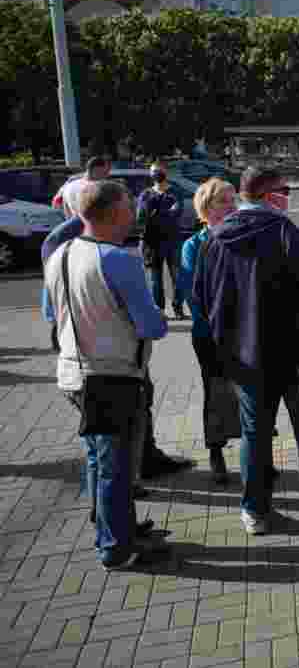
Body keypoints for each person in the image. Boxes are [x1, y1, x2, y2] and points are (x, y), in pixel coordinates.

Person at [193, 166, 299, 535]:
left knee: (255, 434)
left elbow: (200, 297)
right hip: (294, 353)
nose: (288, 195)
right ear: (267, 195)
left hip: (243, 358)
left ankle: (255, 511)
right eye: (285, 189)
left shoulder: (214, 239)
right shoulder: (284, 232)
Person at [44, 180, 169, 570]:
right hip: (110, 374)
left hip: (73, 372)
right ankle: (116, 547)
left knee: (99, 460)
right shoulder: (117, 259)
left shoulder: (59, 254)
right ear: (114, 213)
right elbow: (152, 326)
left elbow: (51, 315)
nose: (134, 212)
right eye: (130, 206)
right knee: (115, 465)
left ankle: (113, 528)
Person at [177, 178, 239, 484]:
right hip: (211, 335)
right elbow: (194, 296)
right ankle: (216, 451)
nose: (232, 206)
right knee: (216, 394)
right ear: (206, 207)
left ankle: (256, 454)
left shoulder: (242, 237)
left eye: (233, 200)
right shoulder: (193, 246)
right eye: (224, 201)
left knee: (252, 395)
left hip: (244, 333)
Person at [137, 161, 187, 320]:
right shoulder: (146, 194)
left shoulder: (175, 192)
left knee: (177, 276)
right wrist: (162, 212)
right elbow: (141, 217)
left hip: (172, 240)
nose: (156, 173)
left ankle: (178, 308)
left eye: (158, 170)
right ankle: (159, 310)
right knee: (155, 280)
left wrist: (155, 213)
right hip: (151, 242)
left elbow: (177, 213)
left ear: (166, 172)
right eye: (153, 171)